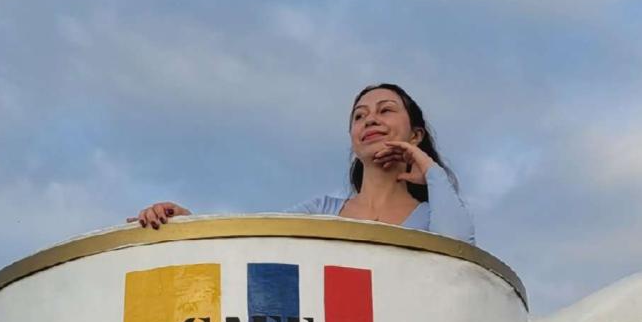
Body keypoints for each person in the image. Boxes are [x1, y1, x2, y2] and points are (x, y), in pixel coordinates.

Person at [127, 83, 474, 243]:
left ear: (415, 134)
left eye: (386, 111)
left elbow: (459, 250)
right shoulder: (321, 210)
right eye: (359, 116)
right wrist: (189, 223)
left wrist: (430, 170)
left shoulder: (432, 215)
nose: (370, 120)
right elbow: (258, 240)